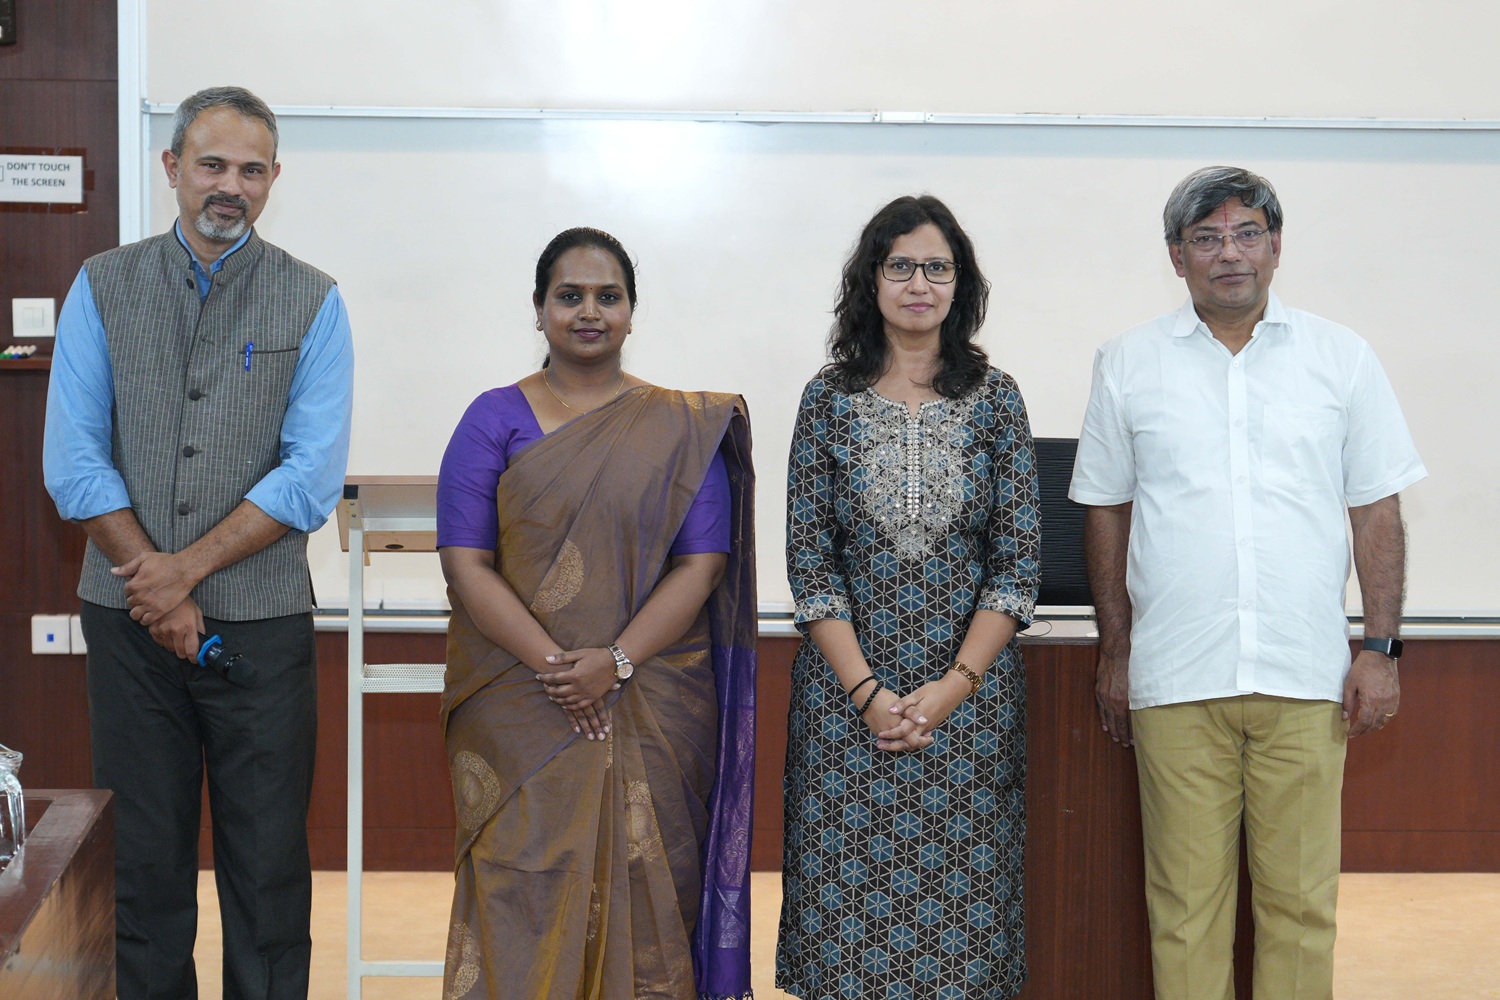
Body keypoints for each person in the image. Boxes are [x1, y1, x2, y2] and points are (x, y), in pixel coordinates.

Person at [1069, 166, 1426, 1000]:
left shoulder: (1342, 357)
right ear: (1176, 255)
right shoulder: (1128, 362)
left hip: (1305, 677)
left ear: (1275, 247)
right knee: (1185, 911)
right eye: (1206, 238)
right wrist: (1116, 649)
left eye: (1246, 234)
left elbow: (1376, 510)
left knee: (1302, 907)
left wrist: (1380, 648)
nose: (1229, 253)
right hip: (1176, 675)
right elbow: (1104, 513)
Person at [41, 86, 354, 999]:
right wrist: (158, 587)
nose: (231, 186)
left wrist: (182, 574)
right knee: (144, 864)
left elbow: (308, 476)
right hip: (128, 630)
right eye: (212, 164)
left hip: (261, 631)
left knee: (266, 870)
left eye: (252, 170)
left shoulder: (315, 300)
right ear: (172, 168)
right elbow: (74, 460)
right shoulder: (103, 284)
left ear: (273, 182)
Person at [436, 227, 757, 1000]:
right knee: (519, 884)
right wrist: (561, 670)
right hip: (520, 703)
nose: (589, 311)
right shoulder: (493, 418)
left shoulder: (680, 428)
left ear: (632, 312)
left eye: (607, 296)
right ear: (539, 308)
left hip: (647, 699)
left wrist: (612, 664)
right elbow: (465, 565)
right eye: (569, 295)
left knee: (649, 884)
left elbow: (702, 563)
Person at [777, 195, 1041, 999]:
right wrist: (867, 694)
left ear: (959, 284)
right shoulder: (828, 399)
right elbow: (810, 562)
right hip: (845, 712)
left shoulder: (996, 400)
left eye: (937, 267)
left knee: (963, 934)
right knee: (846, 932)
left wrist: (951, 690)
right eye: (900, 266)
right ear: (871, 281)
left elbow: (1017, 564)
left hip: (969, 710)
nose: (919, 283)